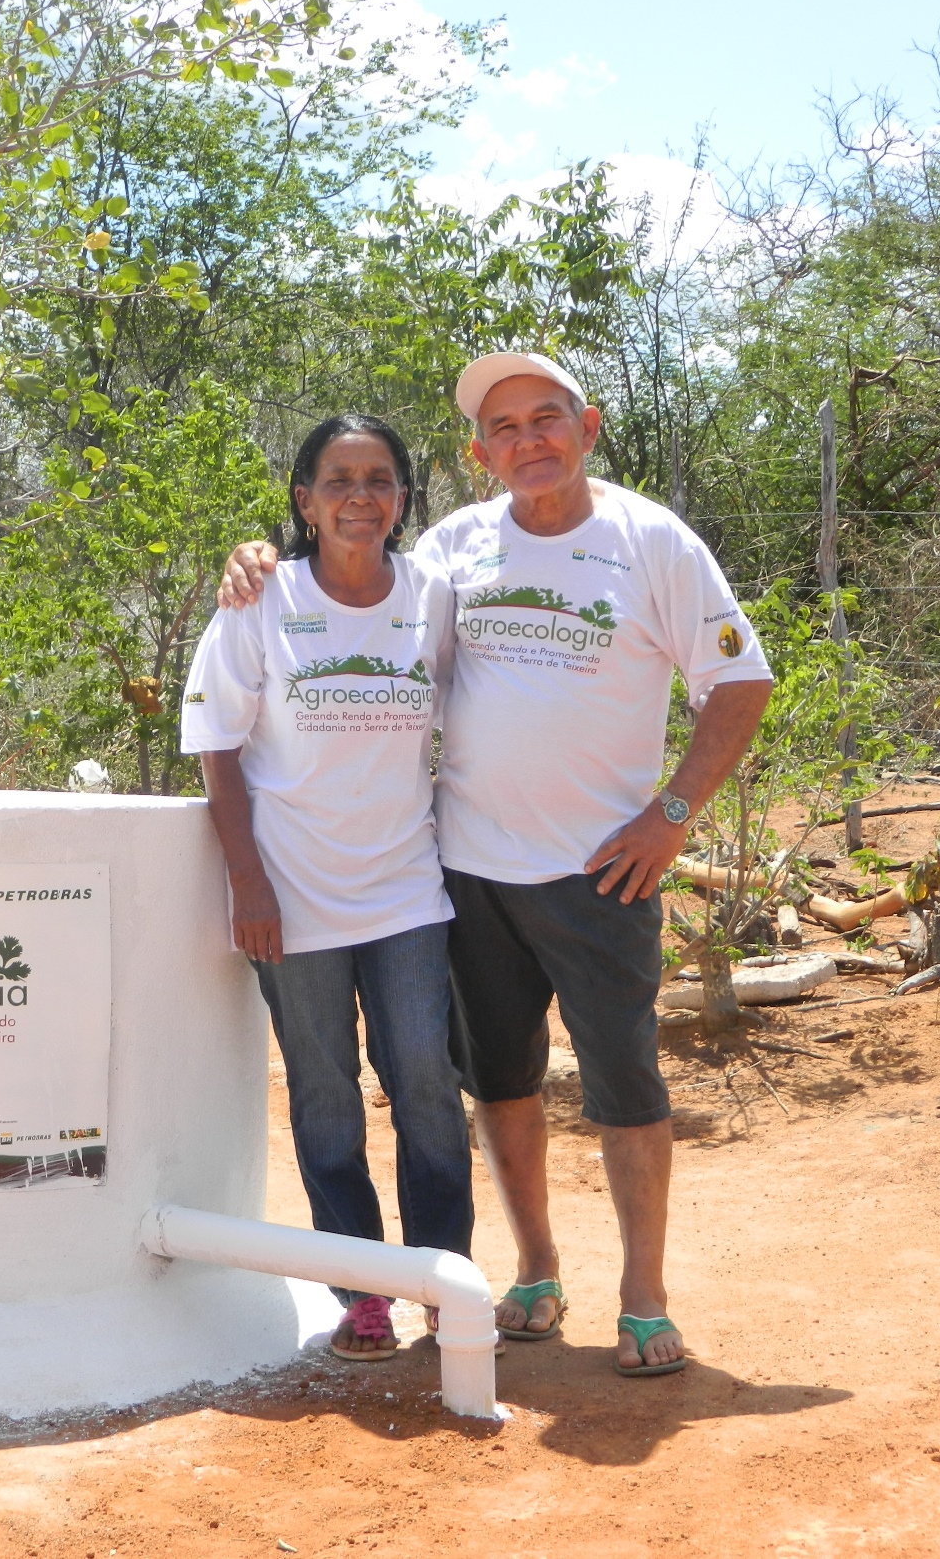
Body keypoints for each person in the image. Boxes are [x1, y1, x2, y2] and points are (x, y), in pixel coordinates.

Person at [218, 354, 774, 1375]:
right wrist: (259, 559)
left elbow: (741, 680)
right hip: (463, 873)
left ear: (588, 426)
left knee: (625, 1088)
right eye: (505, 428)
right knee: (500, 1084)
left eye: (546, 418)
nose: (529, 441)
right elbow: (353, 584)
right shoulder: (454, 549)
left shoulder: (654, 542)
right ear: (481, 454)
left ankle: (644, 1298)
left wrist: (672, 816)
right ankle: (534, 1271)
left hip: (607, 872)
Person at [181, 413, 473, 1362]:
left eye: (380, 479)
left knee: (427, 1084)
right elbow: (217, 747)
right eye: (338, 480)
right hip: (293, 899)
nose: (360, 496)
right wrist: (248, 883)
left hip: (406, 893)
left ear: (402, 497)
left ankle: (441, 1278)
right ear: (304, 500)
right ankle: (362, 1295)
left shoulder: (432, 594)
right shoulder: (261, 600)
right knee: (324, 1096)